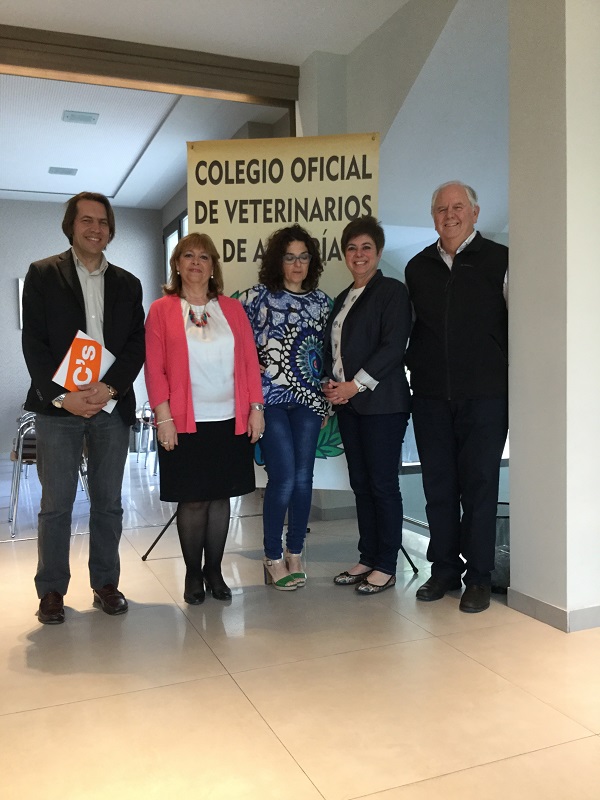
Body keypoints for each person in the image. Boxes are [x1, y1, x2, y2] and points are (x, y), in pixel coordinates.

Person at [22, 191, 145, 624]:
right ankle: (51, 591)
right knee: (56, 504)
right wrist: (62, 397)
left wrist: (109, 389)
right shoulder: (42, 274)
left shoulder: (128, 284)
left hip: (111, 406)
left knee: (108, 502)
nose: (96, 228)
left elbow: (135, 345)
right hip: (59, 410)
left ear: (111, 230)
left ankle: (106, 584)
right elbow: (33, 343)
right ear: (71, 226)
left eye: (103, 222)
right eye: (86, 220)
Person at [405, 181, 508, 613]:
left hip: (485, 396)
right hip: (430, 397)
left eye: (458, 207)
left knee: (480, 486)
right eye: (441, 209)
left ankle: (479, 576)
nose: (450, 215)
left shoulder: (500, 260)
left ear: (475, 213)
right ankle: (445, 569)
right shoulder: (417, 267)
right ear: (433, 218)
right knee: (439, 487)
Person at [144, 232, 264, 605]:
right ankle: (193, 574)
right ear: (177, 264)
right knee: (193, 500)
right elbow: (154, 369)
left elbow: (250, 362)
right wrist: (163, 417)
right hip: (183, 423)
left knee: (220, 498)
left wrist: (256, 408)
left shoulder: (232, 309)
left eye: (204, 257)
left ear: (213, 266)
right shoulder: (162, 309)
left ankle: (214, 571)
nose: (196, 262)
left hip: (230, 419)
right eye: (188, 255)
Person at [323, 215, 412, 595]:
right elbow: (336, 351)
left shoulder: (392, 292)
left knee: (382, 484)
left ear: (378, 252)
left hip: (384, 405)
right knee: (361, 484)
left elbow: (393, 347)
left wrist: (354, 386)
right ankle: (368, 556)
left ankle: (386, 565)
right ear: (344, 254)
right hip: (350, 406)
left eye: (366, 247)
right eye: (352, 248)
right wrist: (332, 384)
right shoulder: (343, 298)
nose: (359, 254)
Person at [241, 225, 331, 590]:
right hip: (270, 402)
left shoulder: (322, 302)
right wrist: (252, 403)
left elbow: (327, 355)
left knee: (304, 478)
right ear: (278, 261)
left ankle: (295, 551)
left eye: (303, 257)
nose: (297, 264)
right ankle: (272, 555)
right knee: (283, 479)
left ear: (312, 261)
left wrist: (325, 403)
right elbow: (242, 353)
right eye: (290, 257)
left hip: (308, 402)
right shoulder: (256, 298)